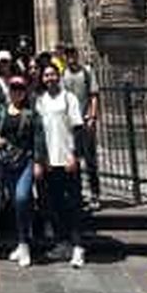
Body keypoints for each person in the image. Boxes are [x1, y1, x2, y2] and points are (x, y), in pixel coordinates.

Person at [35, 62, 86, 267]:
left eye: (52, 74)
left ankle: (78, 247)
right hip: (49, 162)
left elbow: (78, 128)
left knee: (73, 204)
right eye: (46, 76)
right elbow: (39, 134)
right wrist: (41, 159)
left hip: (67, 161)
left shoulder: (69, 98)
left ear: (59, 76)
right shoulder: (40, 101)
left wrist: (75, 156)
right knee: (54, 205)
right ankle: (61, 243)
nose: (49, 78)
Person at [0, 75, 45, 268]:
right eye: (13, 88)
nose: (17, 91)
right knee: (16, 202)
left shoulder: (31, 113)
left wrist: (39, 162)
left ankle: (24, 243)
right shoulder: (1, 111)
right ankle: (22, 240)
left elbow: (38, 137)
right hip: (7, 163)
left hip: (25, 161)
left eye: (20, 88)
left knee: (23, 197)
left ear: (25, 91)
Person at [63, 45, 101, 209]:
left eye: (73, 53)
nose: (70, 56)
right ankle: (77, 194)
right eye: (68, 54)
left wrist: (92, 117)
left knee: (90, 160)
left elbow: (94, 96)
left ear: (77, 55)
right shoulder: (63, 74)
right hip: (70, 124)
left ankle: (95, 194)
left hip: (85, 121)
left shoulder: (86, 71)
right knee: (74, 161)